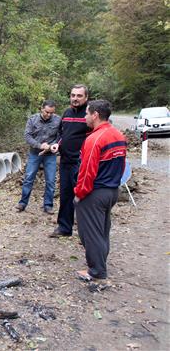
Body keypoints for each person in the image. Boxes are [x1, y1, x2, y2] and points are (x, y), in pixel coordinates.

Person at [74, 100, 126, 281]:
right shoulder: (118, 134)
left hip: (95, 193)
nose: (85, 117)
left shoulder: (94, 139)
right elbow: (122, 165)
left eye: (87, 113)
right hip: (112, 191)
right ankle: (100, 264)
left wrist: (80, 194)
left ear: (95, 115)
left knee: (91, 234)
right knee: (102, 231)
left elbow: (87, 170)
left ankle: (96, 271)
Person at [49, 84, 90, 237]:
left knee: (84, 197)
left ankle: (86, 232)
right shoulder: (66, 113)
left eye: (79, 96)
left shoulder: (89, 114)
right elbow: (61, 133)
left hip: (81, 162)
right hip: (66, 161)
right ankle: (64, 228)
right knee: (65, 195)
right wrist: (56, 145)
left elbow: (93, 137)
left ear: (86, 98)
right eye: (73, 95)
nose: (75, 99)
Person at [16, 100, 61, 214]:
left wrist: (51, 146)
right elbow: (27, 135)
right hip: (35, 153)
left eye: (51, 113)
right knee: (29, 178)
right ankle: (22, 203)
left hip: (50, 154)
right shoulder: (32, 119)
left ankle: (48, 205)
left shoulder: (58, 120)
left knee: (50, 180)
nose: (49, 115)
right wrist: (40, 145)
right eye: (47, 112)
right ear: (41, 109)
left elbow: (60, 136)